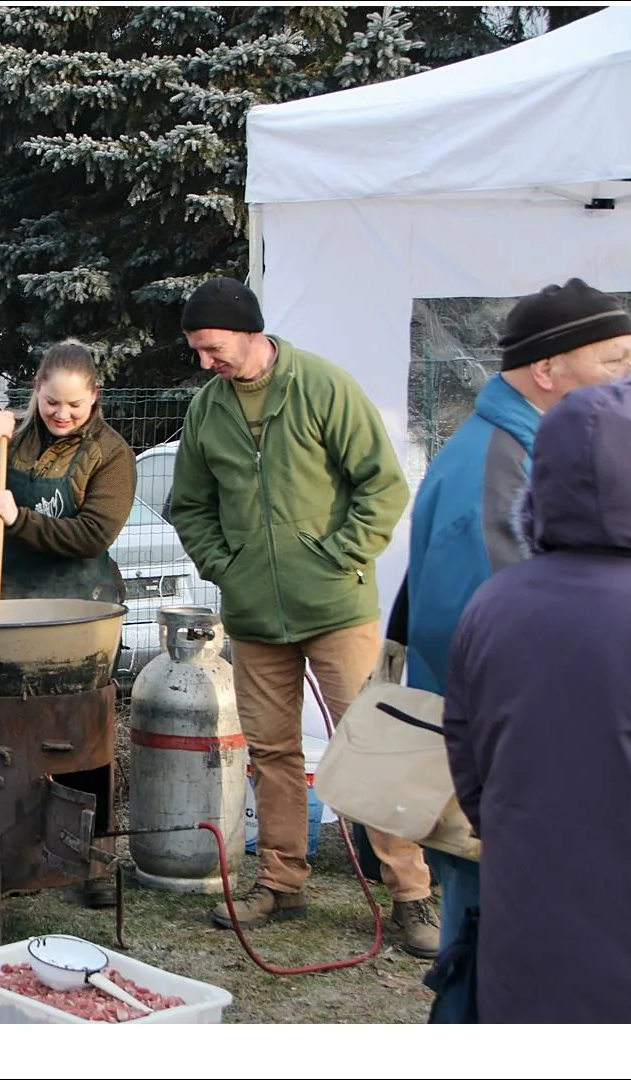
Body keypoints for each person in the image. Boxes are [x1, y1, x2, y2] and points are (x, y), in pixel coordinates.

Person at [168, 276, 438, 957]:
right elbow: (189, 504)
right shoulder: (206, 410)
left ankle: (411, 894)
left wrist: (340, 557)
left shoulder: (323, 386)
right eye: (197, 351)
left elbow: (381, 484)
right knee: (272, 754)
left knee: (373, 752)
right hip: (256, 617)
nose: (205, 362)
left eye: (213, 348)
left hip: (337, 610)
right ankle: (282, 882)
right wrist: (225, 566)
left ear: (250, 331)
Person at [405, 279, 631, 1018]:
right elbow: (469, 644)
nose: (628, 380)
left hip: (527, 803)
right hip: (515, 804)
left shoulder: (529, 451)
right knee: (483, 964)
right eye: (614, 362)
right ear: (547, 370)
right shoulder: (494, 468)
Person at [0, 339, 134, 909]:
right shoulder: (14, 439)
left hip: (83, 610)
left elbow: (91, 535)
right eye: (52, 402)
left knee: (83, 735)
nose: (62, 415)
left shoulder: (111, 453)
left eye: (74, 405)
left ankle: (92, 859)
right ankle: (8, 860)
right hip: (14, 604)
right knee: (7, 737)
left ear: (94, 398)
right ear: (37, 392)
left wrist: (18, 520)